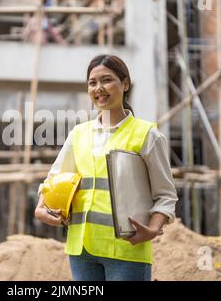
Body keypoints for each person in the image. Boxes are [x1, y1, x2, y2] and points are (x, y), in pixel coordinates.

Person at [34, 54, 178, 281]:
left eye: (107, 80)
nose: (99, 88)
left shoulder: (147, 134)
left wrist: (151, 230)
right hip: (82, 250)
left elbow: (165, 194)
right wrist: (42, 206)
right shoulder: (79, 134)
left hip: (126, 248)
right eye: (93, 83)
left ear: (125, 84)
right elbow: (56, 178)